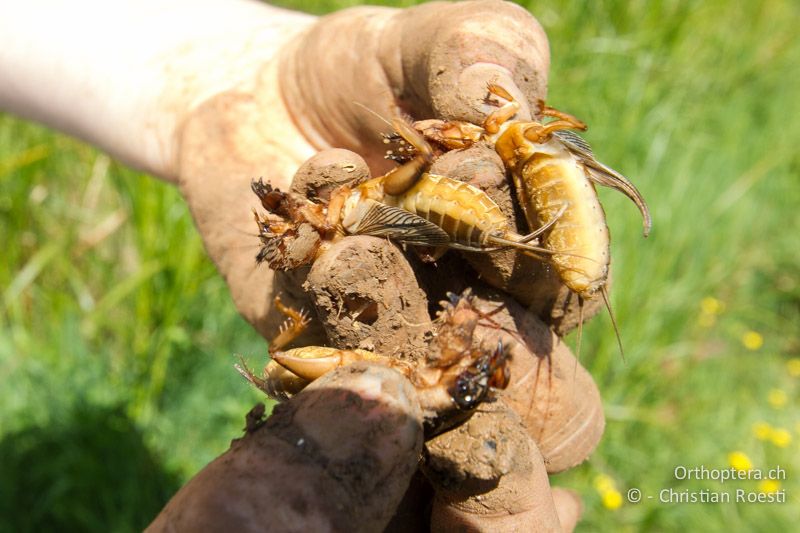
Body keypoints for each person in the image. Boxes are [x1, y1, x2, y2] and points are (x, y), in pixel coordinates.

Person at [1, 1, 604, 530]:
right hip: (401, 212)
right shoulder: (342, 229)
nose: (282, 215)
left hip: (408, 207)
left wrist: (246, 68)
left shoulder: (352, 208)